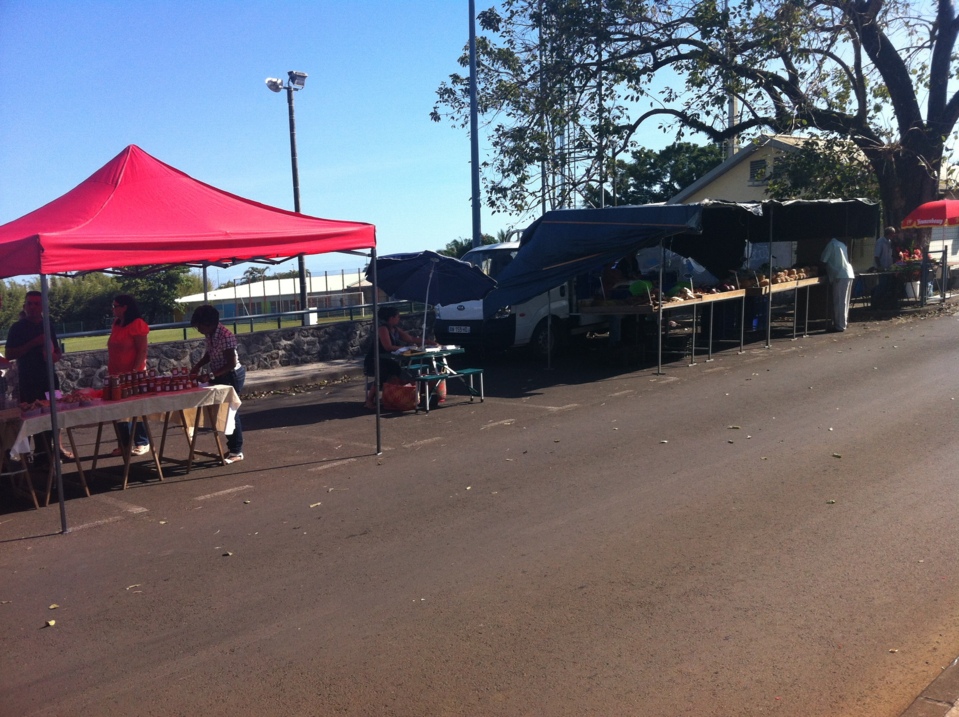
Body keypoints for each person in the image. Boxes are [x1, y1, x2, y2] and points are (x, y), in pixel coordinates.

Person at [5, 291, 66, 461]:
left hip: (49, 379)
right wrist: (34, 343)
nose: (32, 307)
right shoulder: (17, 327)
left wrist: (55, 356)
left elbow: (57, 351)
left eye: (36, 303)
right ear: (24, 306)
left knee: (54, 416)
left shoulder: (48, 324)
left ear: (43, 306)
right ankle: (24, 458)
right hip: (28, 380)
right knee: (29, 419)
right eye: (29, 303)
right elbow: (9, 354)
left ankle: (48, 453)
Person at [188, 305, 245, 464]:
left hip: (232, 375)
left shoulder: (225, 336)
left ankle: (236, 451)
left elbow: (231, 363)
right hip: (220, 374)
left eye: (199, 325)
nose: (198, 329)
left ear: (209, 323)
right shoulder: (211, 334)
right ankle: (233, 447)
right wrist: (198, 365)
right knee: (222, 412)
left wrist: (211, 375)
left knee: (231, 412)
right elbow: (210, 353)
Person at [107, 294, 150, 456]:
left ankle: (142, 441)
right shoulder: (116, 324)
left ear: (124, 307)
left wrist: (135, 371)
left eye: (115, 306)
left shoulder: (138, 324)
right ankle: (124, 443)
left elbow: (142, 350)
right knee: (118, 411)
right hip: (116, 374)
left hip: (133, 375)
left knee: (135, 408)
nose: (113, 309)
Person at [364, 306, 421, 387]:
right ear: (391, 318)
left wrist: (429, 342)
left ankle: (397, 390)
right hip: (375, 361)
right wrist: (406, 348)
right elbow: (388, 347)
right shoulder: (383, 329)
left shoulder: (395, 329)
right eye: (397, 317)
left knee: (397, 368)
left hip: (387, 360)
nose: (399, 319)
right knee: (389, 370)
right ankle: (371, 397)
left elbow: (410, 338)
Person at [820, 237, 855, 332]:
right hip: (848, 273)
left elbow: (823, 260)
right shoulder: (841, 244)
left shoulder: (831, 245)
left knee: (839, 301)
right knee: (845, 301)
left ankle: (840, 326)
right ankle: (843, 323)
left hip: (839, 274)